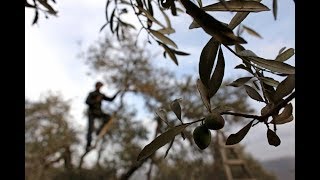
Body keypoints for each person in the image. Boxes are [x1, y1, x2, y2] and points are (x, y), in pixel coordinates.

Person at [85, 81, 120, 150]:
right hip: (91, 113)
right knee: (90, 129)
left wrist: (118, 93)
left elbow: (110, 99)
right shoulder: (92, 93)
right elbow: (87, 102)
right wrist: (95, 100)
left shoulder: (101, 95)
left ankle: (99, 130)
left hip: (98, 112)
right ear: (96, 86)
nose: (99, 87)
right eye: (99, 86)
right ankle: (88, 145)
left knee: (108, 117)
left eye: (100, 86)